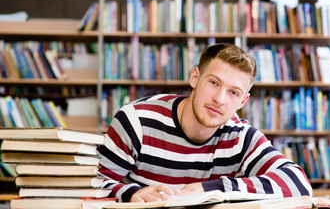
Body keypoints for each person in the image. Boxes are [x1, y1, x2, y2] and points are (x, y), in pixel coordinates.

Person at [97, 43, 312, 203]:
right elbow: (88, 184)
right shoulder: (137, 121)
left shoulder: (240, 138)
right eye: (213, 83)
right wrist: (132, 193)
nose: (220, 99)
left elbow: (298, 183)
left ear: (243, 101)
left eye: (233, 92)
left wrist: (212, 188)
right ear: (194, 78)